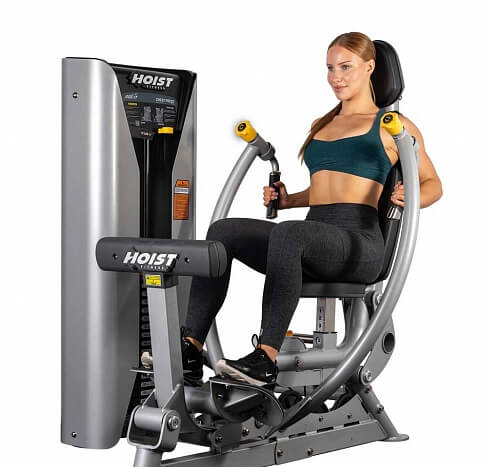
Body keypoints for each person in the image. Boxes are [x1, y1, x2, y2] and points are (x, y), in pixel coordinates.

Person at [180, 31, 443, 386]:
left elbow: (433, 184)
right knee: (224, 231)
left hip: (359, 242)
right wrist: (289, 200)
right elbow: (325, 189)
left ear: (370, 67)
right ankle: (191, 349)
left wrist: (412, 195)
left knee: (290, 235)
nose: (336, 77)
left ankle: (265, 358)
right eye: (330, 68)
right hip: (314, 237)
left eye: (346, 67)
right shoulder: (322, 124)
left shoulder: (392, 126)